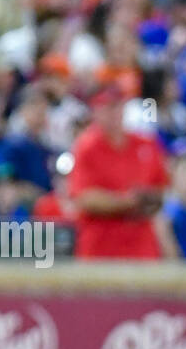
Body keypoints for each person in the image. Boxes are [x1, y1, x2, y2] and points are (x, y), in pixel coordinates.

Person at [68, 86, 170, 259]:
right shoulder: (86, 147)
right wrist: (128, 202)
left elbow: (163, 188)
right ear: (95, 111)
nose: (114, 113)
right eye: (107, 107)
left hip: (141, 245)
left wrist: (150, 199)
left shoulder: (146, 144)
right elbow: (84, 198)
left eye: (118, 106)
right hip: (101, 247)